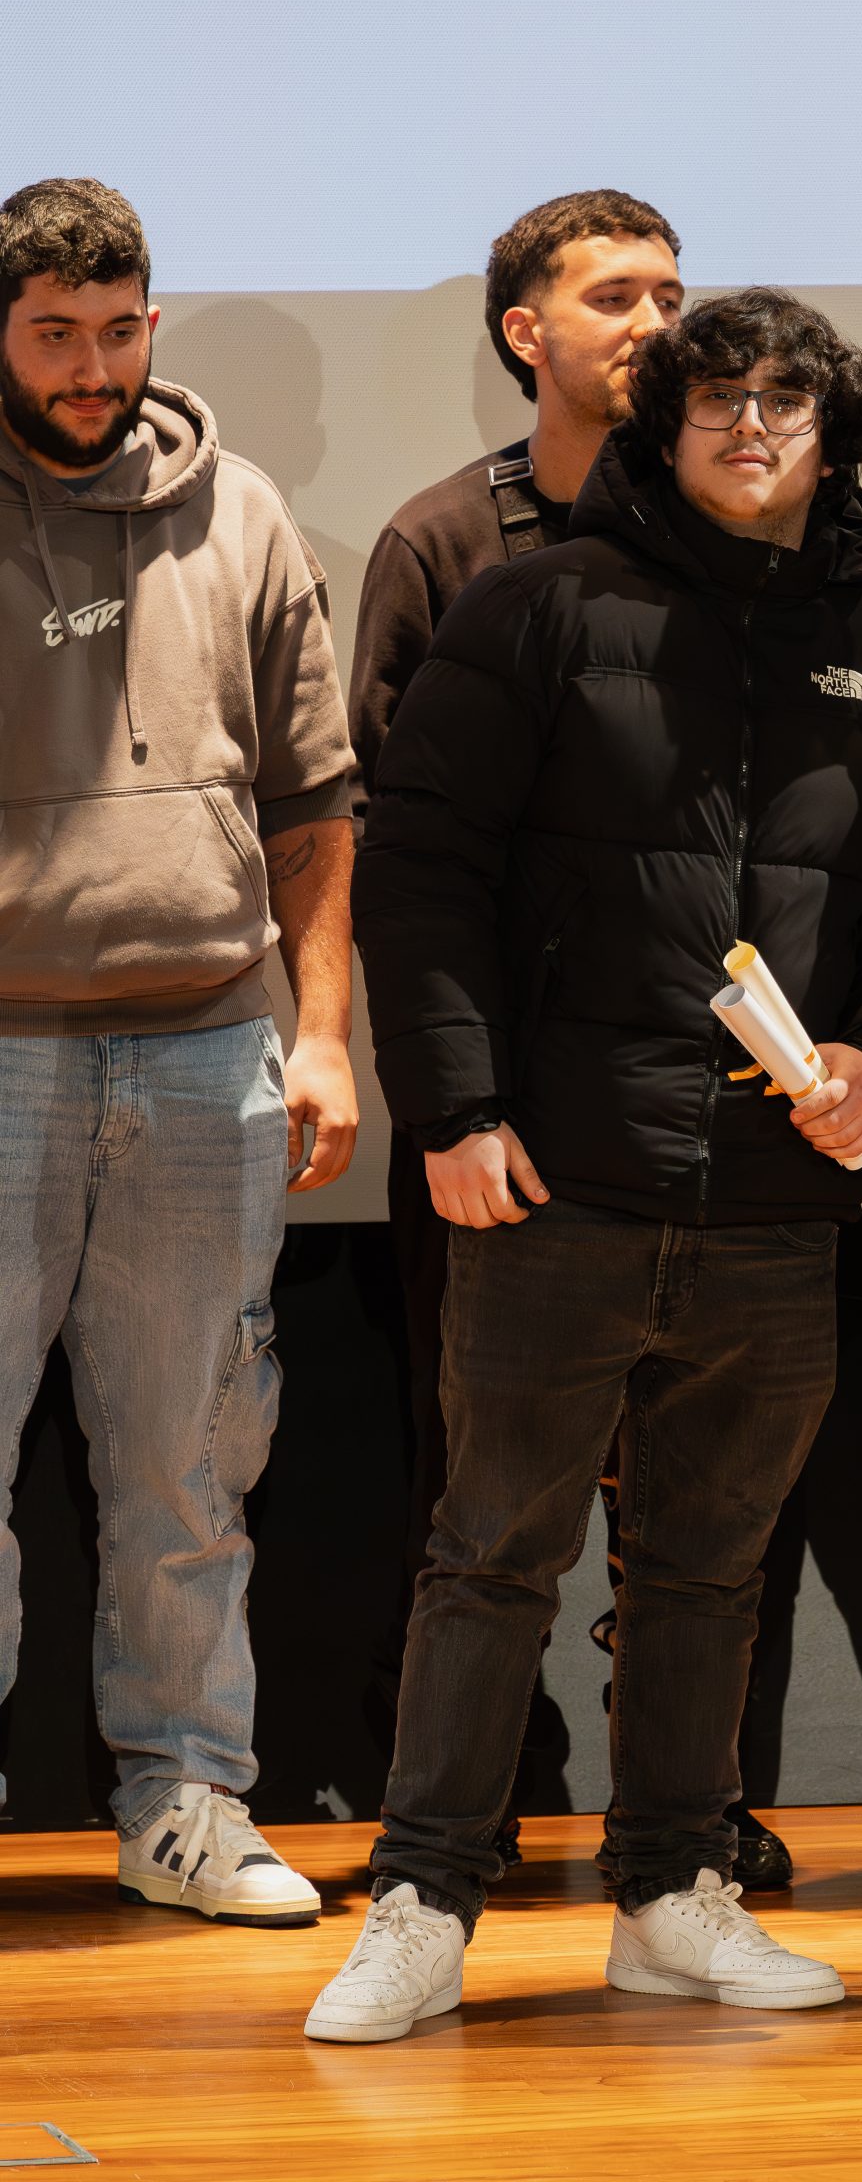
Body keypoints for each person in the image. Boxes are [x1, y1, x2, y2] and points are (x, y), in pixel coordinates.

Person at [306, 287, 862, 2042]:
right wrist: (454, 1110)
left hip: (777, 1203)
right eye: (717, 398)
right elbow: (424, 868)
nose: (751, 426)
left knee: (710, 1569)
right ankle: (422, 1903)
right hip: (557, 1185)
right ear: (663, 424)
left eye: (786, 403)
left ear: (835, 436)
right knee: (490, 1558)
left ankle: (672, 1894)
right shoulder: (536, 606)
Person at [0, 177, 357, 1922]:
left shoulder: (245, 509)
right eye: (54, 334)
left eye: (117, 329)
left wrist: (326, 1037)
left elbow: (315, 804)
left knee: (194, 1464)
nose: (92, 367)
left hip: (211, 1050)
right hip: (2, 1052)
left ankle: (189, 1801)